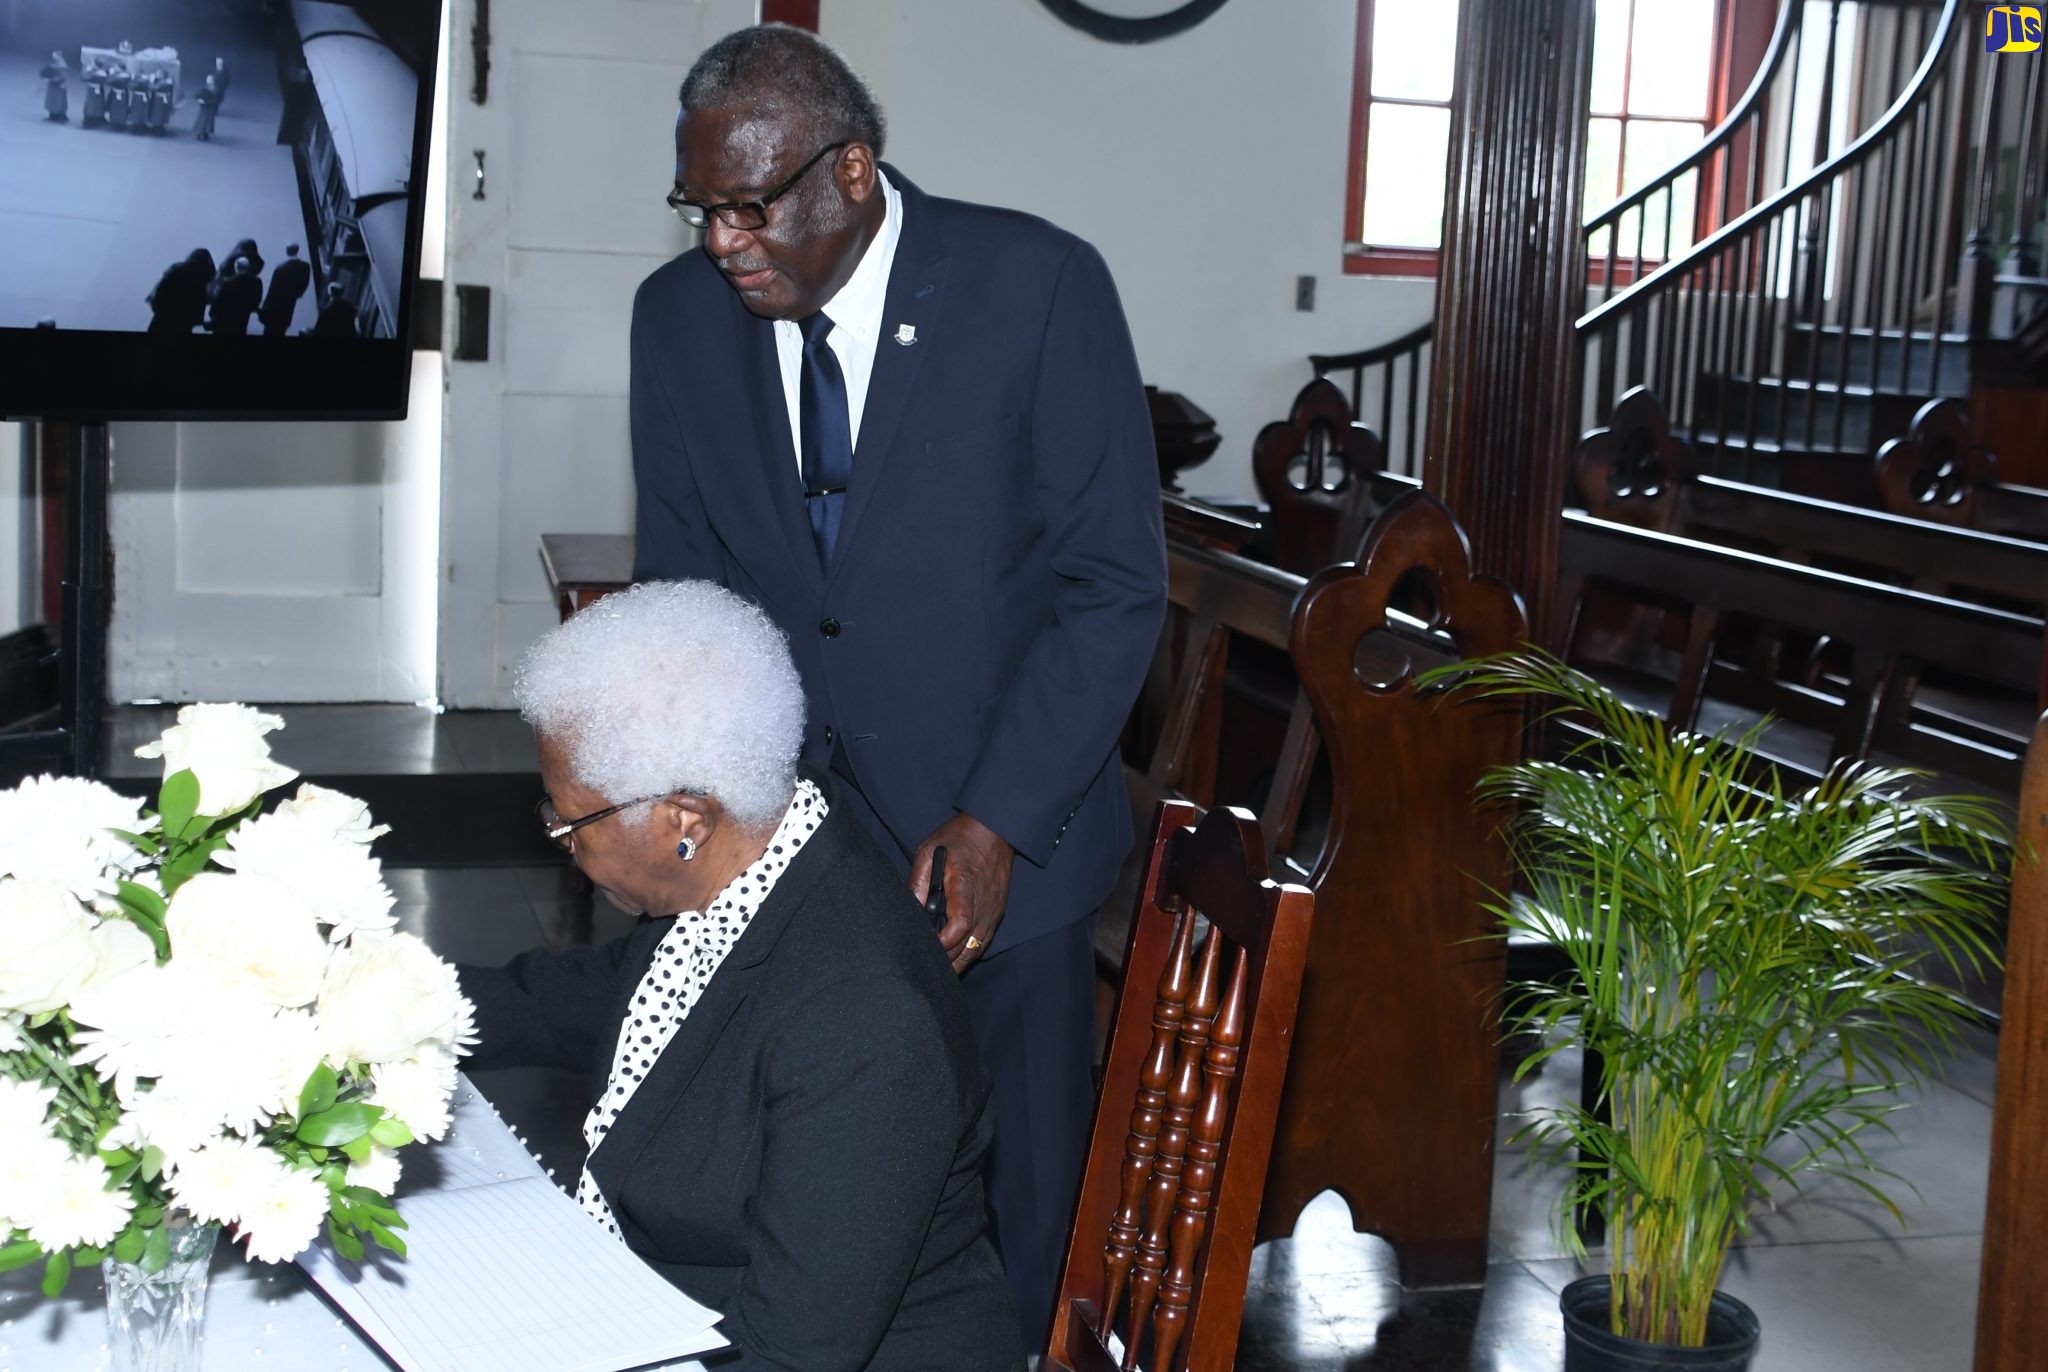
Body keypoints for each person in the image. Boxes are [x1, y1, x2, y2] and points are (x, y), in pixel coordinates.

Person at [629, 24, 1165, 1344]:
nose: (721, 243)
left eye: (751, 207)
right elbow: (684, 595)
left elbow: (1113, 589)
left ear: (852, 171)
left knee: (1025, 1215)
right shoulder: (679, 321)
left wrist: (995, 819)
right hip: (793, 856)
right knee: (810, 1205)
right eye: (701, 208)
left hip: (1003, 846)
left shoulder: (1034, 287)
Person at [460, 580, 1025, 1372]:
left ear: (684, 820)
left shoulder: (863, 1022)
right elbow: (590, 997)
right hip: (687, 1318)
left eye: (568, 819)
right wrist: (378, 1004)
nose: (558, 836)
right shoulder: (761, 856)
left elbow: (793, 1354)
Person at [147, 249, 214, 333]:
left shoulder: (176, 270)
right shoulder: (203, 278)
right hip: (183, 326)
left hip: (161, 322)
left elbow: (159, 294)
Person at [260, 244, 313, 336]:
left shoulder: (281, 268)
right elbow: (305, 283)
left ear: (287, 251)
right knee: (282, 328)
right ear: (297, 250)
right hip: (290, 303)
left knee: (269, 330)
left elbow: (272, 290)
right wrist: (297, 294)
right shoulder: (305, 267)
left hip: (275, 306)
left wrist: (264, 306)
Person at [207, 256, 260, 334]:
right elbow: (256, 302)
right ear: (248, 267)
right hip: (243, 318)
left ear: (236, 267)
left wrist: (212, 314)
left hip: (225, 320)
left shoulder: (228, 282)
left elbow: (219, 302)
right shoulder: (257, 282)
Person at [38, 52, 67, 122]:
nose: (54, 57)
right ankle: (52, 116)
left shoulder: (62, 66)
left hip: (58, 87)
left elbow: (62, 77)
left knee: (57, 103)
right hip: (53, 87)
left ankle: (58, 117)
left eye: (56, 55)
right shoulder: (55, 64)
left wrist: (51, 80)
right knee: (52, 102)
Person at [194, 74, 219, 140]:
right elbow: (197, 95)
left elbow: (215, 100)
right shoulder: (205, 88)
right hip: (204, 108)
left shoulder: (214, 89)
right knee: (202, 121)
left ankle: (205, 134)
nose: (208, 81)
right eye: (208, 79)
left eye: (210, 79)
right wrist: (199, 99)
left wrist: (205, 102)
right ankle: (200, 133)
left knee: (208, 122)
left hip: (210, 108)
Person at [81, 61, 106, 127]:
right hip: (95, 90)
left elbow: (85, 78)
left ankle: (90, 120)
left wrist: (88, 70)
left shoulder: (98, 73)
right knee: (95, 106)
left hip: (93, 90)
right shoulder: (100, 72)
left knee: (92, 106)